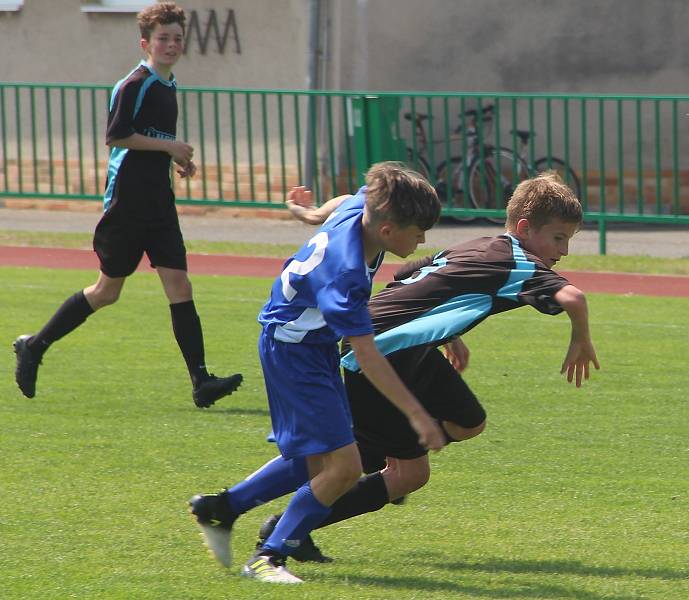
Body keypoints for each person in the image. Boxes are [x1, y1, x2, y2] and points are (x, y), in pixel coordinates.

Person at [256, 171, 601, 560]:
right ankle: (287, 528)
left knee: (467, 421)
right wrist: (580, 340)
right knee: (404, 473)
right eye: (558, 238)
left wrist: (445, 331)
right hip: (378, 354)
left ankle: (366, 463)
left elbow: (411, 277)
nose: (564, 250)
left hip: (410, 349)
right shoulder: (517, 262)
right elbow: (574, 297)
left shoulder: (480, 245)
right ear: (524, 227)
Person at [188, 162, 446, 584]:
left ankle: (222, 508)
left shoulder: (366, 209)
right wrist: (417, 415)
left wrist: (309, 215)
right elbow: (366, 355)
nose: (421, 240)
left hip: (310, 346)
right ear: (386, 231)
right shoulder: (344, 276)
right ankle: (267, 557)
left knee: (319, 458)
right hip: (293, 352)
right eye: (417, 232)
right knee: (344, 468)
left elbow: (346, 200)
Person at [12, 2, 242, 408]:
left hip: (159, 203)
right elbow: (117, 136)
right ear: (145, 43)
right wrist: (168, 145)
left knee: (180, 285)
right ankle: (34, 345)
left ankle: (201, 381)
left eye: (176, 38)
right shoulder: (134, 84)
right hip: (128, 204)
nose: (171, 45)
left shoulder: (169, 85)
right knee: (106, 292)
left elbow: (148, 139)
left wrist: (176, 157)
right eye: (163, 39)